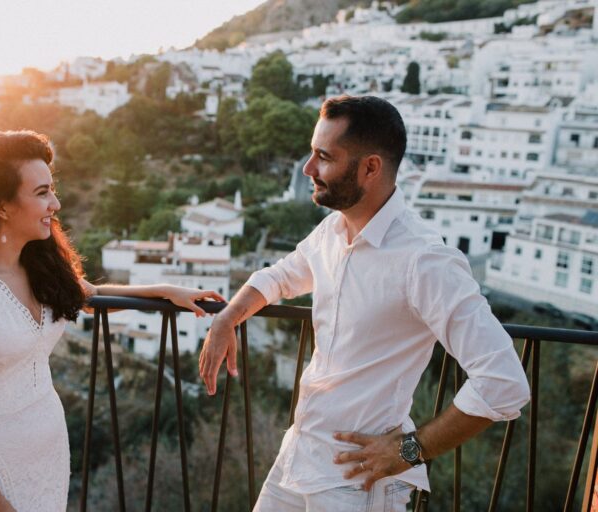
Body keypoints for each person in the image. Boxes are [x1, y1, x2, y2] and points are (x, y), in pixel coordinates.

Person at [198, 95, 531, 511]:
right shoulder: (332, 233)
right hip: (299, 456)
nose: (308, 169)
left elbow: (503, 383)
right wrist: (228, 316)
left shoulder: (424, 260)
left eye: (324, 157)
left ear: (370, 167)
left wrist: (411, 450)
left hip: (357, 481)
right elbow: (279, 277)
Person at [0, 130, 224, 512]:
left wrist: (165, 290)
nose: (57, 203)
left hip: (48, 450)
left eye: (52, 190)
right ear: (1, 207)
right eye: (42, 193)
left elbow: (91, 297)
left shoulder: (38, 265)